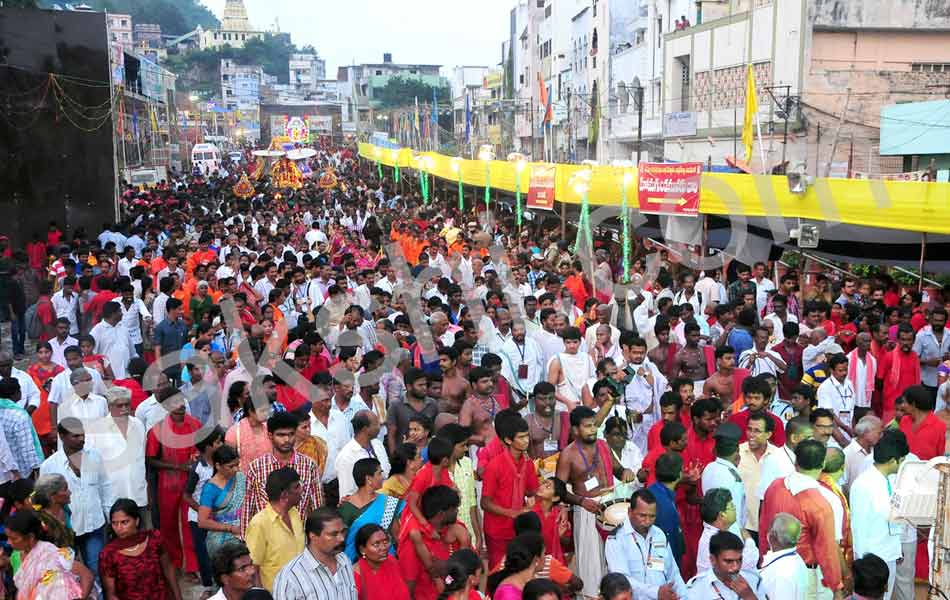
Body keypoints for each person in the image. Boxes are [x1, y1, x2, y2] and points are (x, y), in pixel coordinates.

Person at [556, 406, 637, 599]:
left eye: (594, 425)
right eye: (587, 426)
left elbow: (618, 469)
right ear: (575, 430)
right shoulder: (568, 455)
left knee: (616, 556)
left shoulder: (603, 445)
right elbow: (558, 490)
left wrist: (625, 471)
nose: (593, 429)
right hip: (587, 510)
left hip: (613, 505)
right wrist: (582, 501)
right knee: (592, 562)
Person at [759, 439, 843, 598]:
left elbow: (764, 527)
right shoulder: (824, 501)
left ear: (796, 460)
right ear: (822, 464)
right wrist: (836, 585)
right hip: (803, 573)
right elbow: (827, 549)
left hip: (772, 566)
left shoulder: (774, 486)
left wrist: (764, 559)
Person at [40, 417, 115, 580]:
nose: (81, 439)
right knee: (70, 575)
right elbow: (44, 501)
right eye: (75, 436)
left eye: (83, 435)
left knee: (97, 571)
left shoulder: (94, 456)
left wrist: (110, 517)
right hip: (66, 530)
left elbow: (105, 486)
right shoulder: (50, 466)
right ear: (62, 436)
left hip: (95, 524)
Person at [241, 411, 324, 537]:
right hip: (266, 539)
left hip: (298, 539)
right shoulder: (256, 467)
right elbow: (248, 508)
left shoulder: (308, 466)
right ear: (270, 436)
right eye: (281, 435)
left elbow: (317, 507)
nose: (287, 440)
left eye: (291, 434)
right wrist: (245, 541)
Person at [145, 391, 201, 574]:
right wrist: (178, 466)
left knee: (190, 524)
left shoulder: (195, 424)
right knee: (169, 526)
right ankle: (176, 563)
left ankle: (193, 566)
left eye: (181, 401)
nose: (180, 405)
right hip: (168, 485)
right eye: (174, 402)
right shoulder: (157, 430)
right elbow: (151, 460)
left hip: (194, 484)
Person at [850, 429, 908, 600]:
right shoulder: (864, 484)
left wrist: (897, 549)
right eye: (901, 461)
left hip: (888, 551)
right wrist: (862, 565)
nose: (902, 465)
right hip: (872, 560)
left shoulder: (887, 480)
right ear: (892, 461)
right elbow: (858, 527)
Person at [605, 488, 687, 600]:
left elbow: (673, 574)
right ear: (629, 512)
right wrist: (656, 593)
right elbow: (621, 582)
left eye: (652, 516)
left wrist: (684, 597)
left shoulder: (659, 534)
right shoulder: (616, 540)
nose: (647, 521)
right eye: (642, 516)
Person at [481, 412, 539, 567]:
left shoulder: (528, 463)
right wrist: (512, 513)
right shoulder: (494, 466)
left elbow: (532, 490)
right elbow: (485, 503)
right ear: (508, 440)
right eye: (521, 437)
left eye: (527, 436)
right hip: (497, 530)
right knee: (498, 571)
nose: (526, 440)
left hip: (518, 529)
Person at [99, 498, 183, 600]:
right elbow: (111, 594)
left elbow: (168, 570)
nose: (119, 528)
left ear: (137, 521)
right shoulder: (108, 554)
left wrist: (178, 597)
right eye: (114, 523)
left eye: (124, 522)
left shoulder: (154, 538)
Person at [398, 485, 471, 600]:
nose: (457, 511)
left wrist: (465, 542)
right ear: (441, 514)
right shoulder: (414, 540)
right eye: (454, 509)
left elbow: (471, 570)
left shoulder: (456, 529)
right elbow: (408, 589)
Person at [5, 509, 94, 600]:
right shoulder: (16, 556)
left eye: (14, 538)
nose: (8, 542)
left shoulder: (51, 554)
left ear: (31, 537)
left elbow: (87, 576)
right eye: (7, 538)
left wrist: (82, 598)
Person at [272, 507, 357, 600]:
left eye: (343, 532)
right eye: (334, 534)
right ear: (313, 536)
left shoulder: (344, 561)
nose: (342, 538)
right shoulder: (290, 577)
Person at [245, 466, 306, 591]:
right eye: (296, 487)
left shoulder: (294, 513)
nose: (301, 490)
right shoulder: (259, 523)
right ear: (284, 495)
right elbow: (253, 568)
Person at [342, 458, 404, 561]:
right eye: (379, 473)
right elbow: (341, 542)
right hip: (356, 567)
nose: (383, 477)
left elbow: (398, 538)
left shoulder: (388, 503)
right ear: (368, 479)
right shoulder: (346, 508)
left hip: (387, 562)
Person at [695, 488, 759, 574]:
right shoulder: (713, 541)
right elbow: (746, 564)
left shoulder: (730, 526)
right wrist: (749, 541)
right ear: (722, 515)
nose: (735, 508)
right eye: (731, 506)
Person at [199, 443, 247, 559]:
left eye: (237, 465)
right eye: (231, 466)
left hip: (245, 532)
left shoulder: (240, 478)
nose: (236, 469)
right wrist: (230, 528)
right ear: (218, 466)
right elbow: (202, 522)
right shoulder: (210, 488)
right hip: (222, 539)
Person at [685, 531, 764, 599]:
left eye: (739, 560)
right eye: (729, 561)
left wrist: (749, 597)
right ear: (713, 560)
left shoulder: (754, 580)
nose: (735, 567)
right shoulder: (697, 587)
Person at [700, 423, 746, 537]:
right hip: (727, 538)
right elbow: (733, 517)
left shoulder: (709, 468)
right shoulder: (733, 477)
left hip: (708, 532)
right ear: (737, 451)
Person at [335, 410, 390, 499]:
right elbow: (347, 493)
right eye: (376, 424)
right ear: (365, 429)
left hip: (384, 501)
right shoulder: (346, 456)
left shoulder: (378, 444)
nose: (379, 425)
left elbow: (387, 473)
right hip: (364, 507)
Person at [351, 523, 409, 600]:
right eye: (376, 544)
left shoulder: (392, 561)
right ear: (362, 549)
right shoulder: (355, 577)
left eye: (385, 542)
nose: (383, 547)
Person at [486, 532, 544, 600]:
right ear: (536, 560)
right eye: (544, 553)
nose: (545, 557)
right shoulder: (508, 594)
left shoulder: (530, 580)